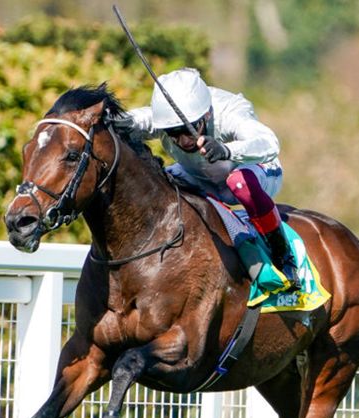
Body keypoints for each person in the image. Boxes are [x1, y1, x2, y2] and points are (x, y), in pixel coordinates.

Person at [122, 68, 298, 287]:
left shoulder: (230, 111)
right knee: (159, 181)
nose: (183, 141)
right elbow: (131, 121)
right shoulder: (165, 118)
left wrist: (226, 150)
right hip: (202, 177)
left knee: (238, 181)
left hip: (253, 171)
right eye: (173, 133)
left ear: (205, 115)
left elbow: (269, 142)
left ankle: (283, 255)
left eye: (187, 130)